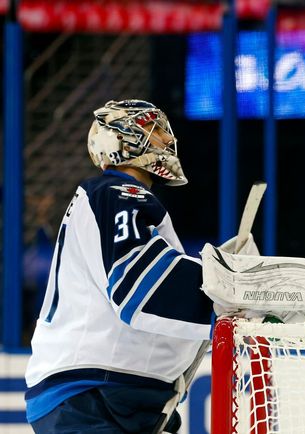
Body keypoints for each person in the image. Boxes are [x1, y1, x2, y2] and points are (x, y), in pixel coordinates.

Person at [24, 100, 218, 433]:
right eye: (154, 131)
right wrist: (223, 285)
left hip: (104, 395)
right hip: (91, 394)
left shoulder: (109, 196)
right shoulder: (118, 192)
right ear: (125, 139)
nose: (167, 141)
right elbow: (137, 284)